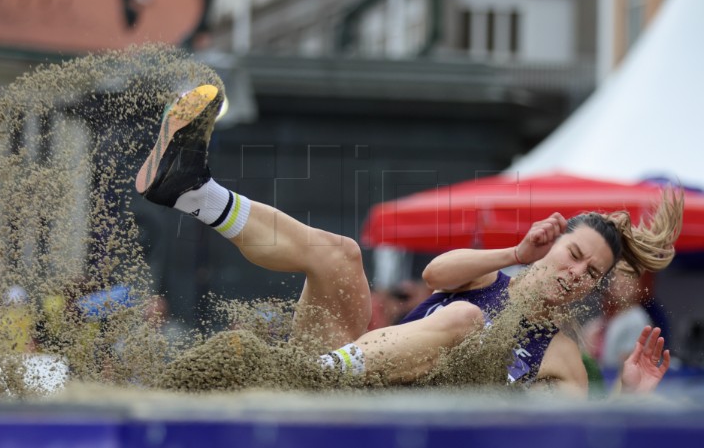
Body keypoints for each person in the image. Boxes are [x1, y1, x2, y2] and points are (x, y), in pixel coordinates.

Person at [135, 83, 679, 396]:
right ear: (554, 244)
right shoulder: (492, 274)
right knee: (340, 255)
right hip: (346, 382)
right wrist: (515, 253)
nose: (574, 273)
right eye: (575, 254)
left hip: (390, 421)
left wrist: (630, 397)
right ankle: (193, 193)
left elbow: (579, 437)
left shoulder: (562, 356)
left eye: (590, 274)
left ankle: (311, 375)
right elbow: (434, 275)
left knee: (467, 324)